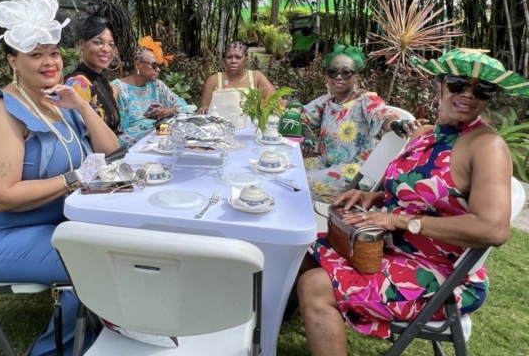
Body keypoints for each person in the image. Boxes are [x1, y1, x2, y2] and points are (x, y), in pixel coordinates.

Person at [297, 48, 524, 356]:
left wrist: (399, 220)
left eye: (482, 89)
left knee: (314, 285)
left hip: (438, 276)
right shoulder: (427, 134)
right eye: (458, 83)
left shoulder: (486, 146)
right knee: (299, 252)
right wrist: (372, 196)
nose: (468, 94)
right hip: (387, 250)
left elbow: (493, 229)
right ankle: (273, 328)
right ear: (440, 84)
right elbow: (418, 194)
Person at [0, 0, 120, 356]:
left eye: (54, 53)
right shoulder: (2, 112)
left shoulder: (57, 99)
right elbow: (2, 197)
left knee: (121, 247)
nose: (50, 63)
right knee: (95, 264)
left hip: (50, 223)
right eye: (36, 54)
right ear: (13, 60)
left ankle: (101, 340)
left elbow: (111, 150)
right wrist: (76, 178)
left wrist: (81, 106)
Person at [303, 44, 421, 196]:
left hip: (353, 173)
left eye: (345, 73)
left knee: (302, 185)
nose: (338, 77)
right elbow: (301, 115)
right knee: (289, 170)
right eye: (333, 72)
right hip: (325, 163)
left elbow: (380, 113)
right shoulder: (328, 101)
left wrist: (394, 123)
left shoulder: (365, 100)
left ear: (355, 77)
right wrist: (305, 133)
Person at [111, 36, 195, 147]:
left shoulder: (155, 84)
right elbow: (115, 126)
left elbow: (182, 105)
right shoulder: (117, 88)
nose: (158, 69)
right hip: (129, 139)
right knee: (168, 138)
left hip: (155, 131)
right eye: (154, 65)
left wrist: (168, 111)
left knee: (180, 133)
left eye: (159, 66)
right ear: (137, 64)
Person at [65, 0, 133, 133]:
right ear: (81, 44)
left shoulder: (101, 80)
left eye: (111, 44)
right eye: (98, 42)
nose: (106, 49)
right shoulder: (78, 83)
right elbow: (81, 135)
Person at [197, 41, 276, 114]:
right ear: (224, 60)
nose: (233, 61)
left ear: (246, 60)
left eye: (238, 57)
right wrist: (204, 109)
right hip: (220, 127)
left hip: (250, 127)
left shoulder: (257, 77)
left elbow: (276, 102)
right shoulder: (213, 80)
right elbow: (204, 109)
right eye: (229, 57)